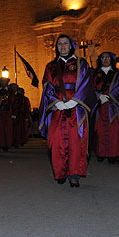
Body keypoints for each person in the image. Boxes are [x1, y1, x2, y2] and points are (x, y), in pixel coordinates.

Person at [38, 34, 96, 187]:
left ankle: (74, 174)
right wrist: (56, 103)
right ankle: (60, 172)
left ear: (71, 46)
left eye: (65, 43)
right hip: (57, 109)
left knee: (76, 142)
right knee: (56, 142)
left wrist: (74, 101)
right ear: (56, 47)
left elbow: (86, 84)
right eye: (59, 44)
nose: (62, 46)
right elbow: (47, 87)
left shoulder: (81, 64)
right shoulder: (50, 66)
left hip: (76, 109)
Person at [91, 52, 119, 164]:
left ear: (112, 60)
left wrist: (109, 97)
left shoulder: (117, 75)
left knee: (114, 131)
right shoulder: (95, 75)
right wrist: (99, 96)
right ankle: (101, 153)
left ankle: (114, 155)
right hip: (99, 107)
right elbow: (90, 88)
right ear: (100, 60)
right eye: (103, 57)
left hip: (113, 107)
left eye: (107, 57)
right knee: (99, 131)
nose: (105, 59)